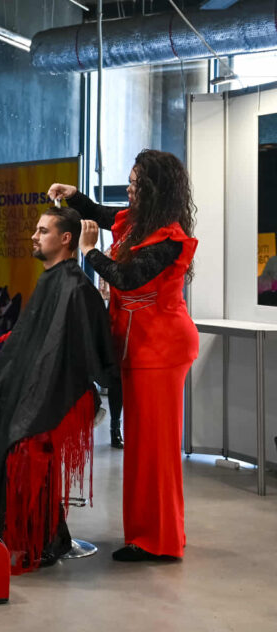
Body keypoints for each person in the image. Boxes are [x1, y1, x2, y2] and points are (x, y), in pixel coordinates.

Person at [0, 207, 117, 574]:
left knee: (25, 442)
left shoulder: (75, 287)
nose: (34, 237)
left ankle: (40, 536)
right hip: (39, 386)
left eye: (43, 231)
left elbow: (82, 357)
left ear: (66, 239)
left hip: (64, 394)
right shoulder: (51, 280)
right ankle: (11, 519)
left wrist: (41, 391)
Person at [50, 148, 199, 562]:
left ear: (154, 189)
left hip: (161, 348)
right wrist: (75, 195)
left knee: (155, 448)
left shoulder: (168, 239)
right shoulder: (138, 222)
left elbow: (126, 278)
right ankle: (157, 531)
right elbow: (102, 213)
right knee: (143, 446)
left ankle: (158, 541)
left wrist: (89, 251)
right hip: (140, 345)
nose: (129, 189)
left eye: (136, 184)